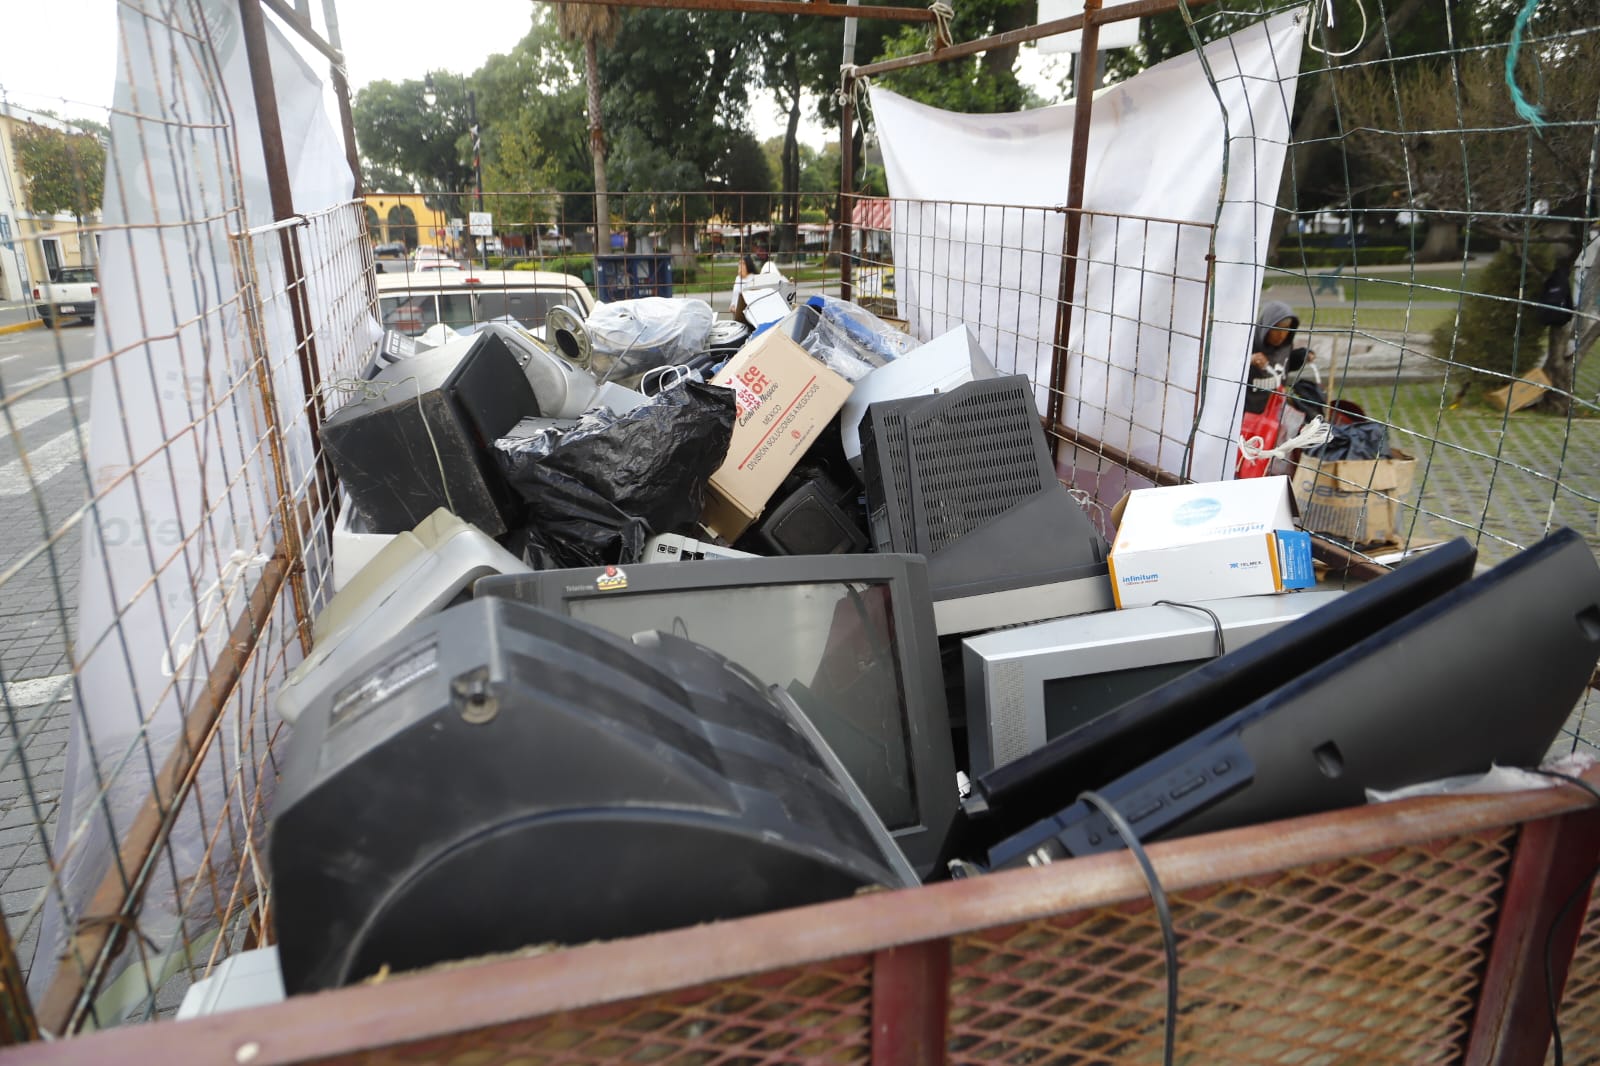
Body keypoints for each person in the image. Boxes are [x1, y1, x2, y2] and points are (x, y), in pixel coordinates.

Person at [1244, 300, 1311, 414]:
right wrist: (1247, 360)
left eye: (1286, 328)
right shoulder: (1248, 343)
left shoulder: (1285, 345)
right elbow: (1227, 368)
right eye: (1277, 328)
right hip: (1247, 417)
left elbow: (1284, 365)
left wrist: (1302, 356)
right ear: (1266, 326)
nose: (1282, 335)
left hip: (1274, 414)